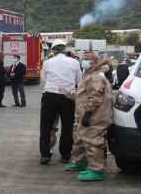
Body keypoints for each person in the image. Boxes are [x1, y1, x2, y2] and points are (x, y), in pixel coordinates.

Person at [65, 51, 113, 182]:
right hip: (86, 113)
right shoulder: (89, 75)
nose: (83, 61)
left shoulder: (96, 77)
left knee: (93, 141)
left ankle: (96, 170)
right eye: (83, 58)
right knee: (81, 139)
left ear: (93, 62)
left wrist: (88, 113)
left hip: (95, 116)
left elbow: (96, 97)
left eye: (86, 59)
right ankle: (81, 163)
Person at [39, 39, 82, 165]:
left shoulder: (47, 62)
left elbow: (44, 78)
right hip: (68, 96)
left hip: (50, 95)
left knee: (46, 126)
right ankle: (65, 155)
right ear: (65, 49)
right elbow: (79, 80)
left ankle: (45, 155)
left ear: (53, 50)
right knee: (67, 127)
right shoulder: (74, 62)